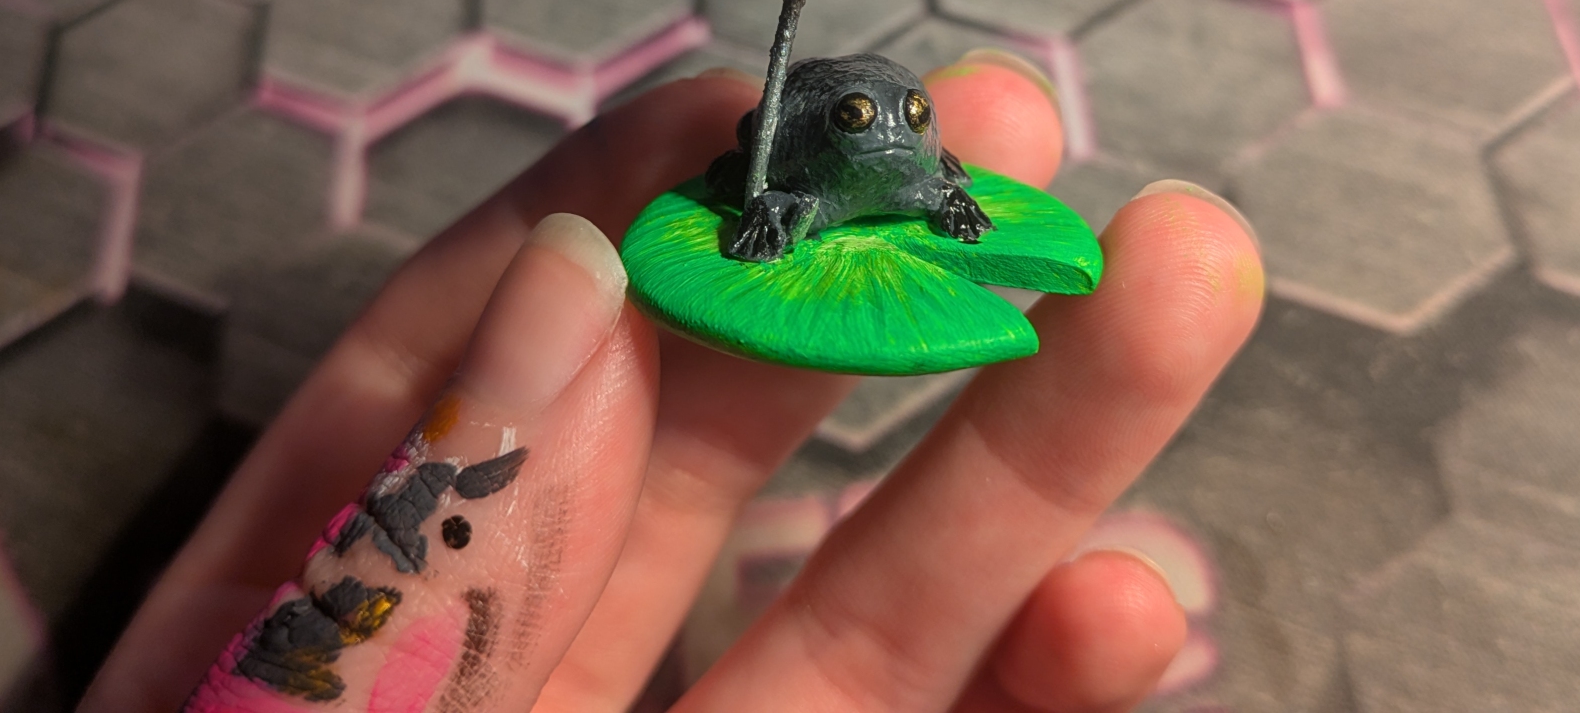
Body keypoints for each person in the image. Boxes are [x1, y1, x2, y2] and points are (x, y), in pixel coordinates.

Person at [78, 54, 1265, 713]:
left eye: (905, 117)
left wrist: (942, 195)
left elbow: (938, 174)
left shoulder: (917, 157)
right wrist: (773, 201)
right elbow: (763, 175)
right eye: (869, 117)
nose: (894, 134)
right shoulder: (797, 146)